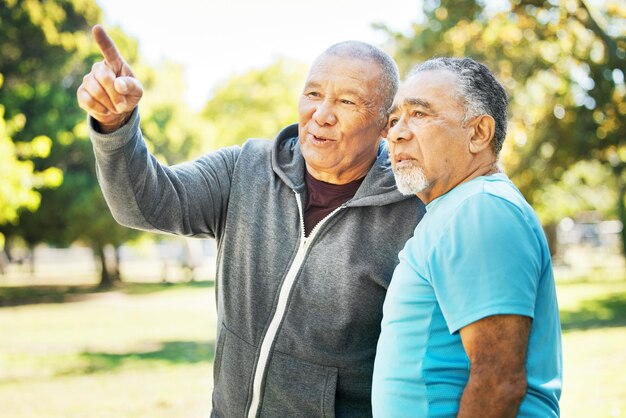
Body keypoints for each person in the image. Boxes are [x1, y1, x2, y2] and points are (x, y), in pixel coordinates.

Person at [77, 25, 425, 417]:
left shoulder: (416, 214)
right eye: (313, 94)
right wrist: (115, 126)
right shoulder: (246, 168)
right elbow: (143, 204)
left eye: (347, 102)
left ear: (386, 123)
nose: (321, 115)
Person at [372, 57, 562, 417]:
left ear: (478, 133)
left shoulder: (480, 210)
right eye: (394, 119)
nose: (396, 133)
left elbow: (498, 382)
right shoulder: (455, 209)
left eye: (420, 114)